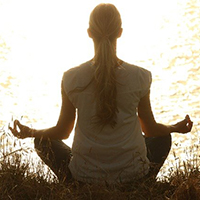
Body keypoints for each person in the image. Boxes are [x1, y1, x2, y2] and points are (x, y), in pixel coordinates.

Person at [9, 3, 193, 184]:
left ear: (89, 33)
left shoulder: (71, 78)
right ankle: (142, 181)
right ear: (120, 32)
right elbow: (150, 129)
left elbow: (62, 132)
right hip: (133, 175)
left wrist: (30, 132)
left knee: (43, 142)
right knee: (162, 136)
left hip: (84, 177)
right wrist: (174, 128)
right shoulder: (140, 76)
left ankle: (73, 184)